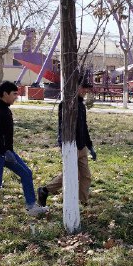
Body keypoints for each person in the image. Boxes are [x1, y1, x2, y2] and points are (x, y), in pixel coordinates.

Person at [0, 81, 48, 221]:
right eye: (14, 94)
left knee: (26, 173)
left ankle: (31, 207)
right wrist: (4, 152)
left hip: (8, 153)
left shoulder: (6, 109)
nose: (16, 97)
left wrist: (9, 151)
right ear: (5, 94)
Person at [37, 79, 97, 209]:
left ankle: (83, 202)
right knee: (71, 174)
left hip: (82, 146)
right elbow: (62, 128)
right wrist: (63, 145)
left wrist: (90, 146)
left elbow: (84, 127)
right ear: (75, 87)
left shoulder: (81, 105)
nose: (86, 91)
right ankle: (45, 190)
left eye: (87, 88)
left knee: (86, 176)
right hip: (70, 146)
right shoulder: (66, 105)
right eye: (83, 88)